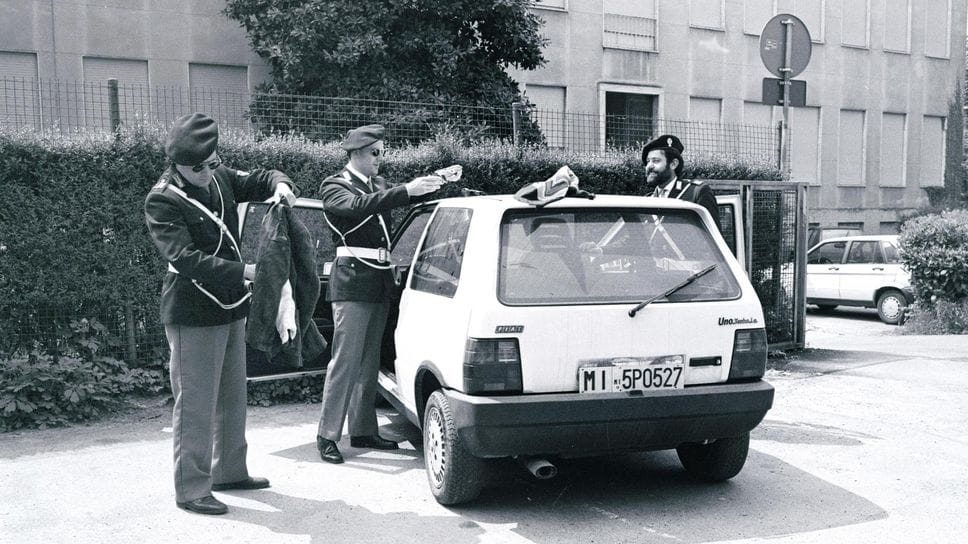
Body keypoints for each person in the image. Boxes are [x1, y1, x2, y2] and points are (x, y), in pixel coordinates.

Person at [144, 112, 297, 515]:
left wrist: (281, 185)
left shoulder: (216, 173)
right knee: (195, 403)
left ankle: (228, 470)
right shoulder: (163, 199)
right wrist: (246, 272)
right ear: (175, 166)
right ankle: (191, 488)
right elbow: (185, 258)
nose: (207, 172)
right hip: (192, 308)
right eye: (197, 167)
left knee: (232, 396)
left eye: (212, 162)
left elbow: (262, 177)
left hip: (230, 305)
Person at [315, 124, 443, 464]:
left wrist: (434, 182)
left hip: (378, 279)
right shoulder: (335, 185)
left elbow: (396, 196)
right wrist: (407, 190)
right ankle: (327, 434)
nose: (379, 159)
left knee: (369, 360)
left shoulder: (380, 186)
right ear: (356, 153)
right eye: (375, 153)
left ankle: (363, 429)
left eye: (381, 153)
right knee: (345, 361)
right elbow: (357, 206)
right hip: (353, 280)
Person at [641, 134, 721, 231]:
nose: (649, 166)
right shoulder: (648, 200)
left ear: (673, 164)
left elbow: (713, 236)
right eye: (648, 161)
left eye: (656, 161)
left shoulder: (695, 193)